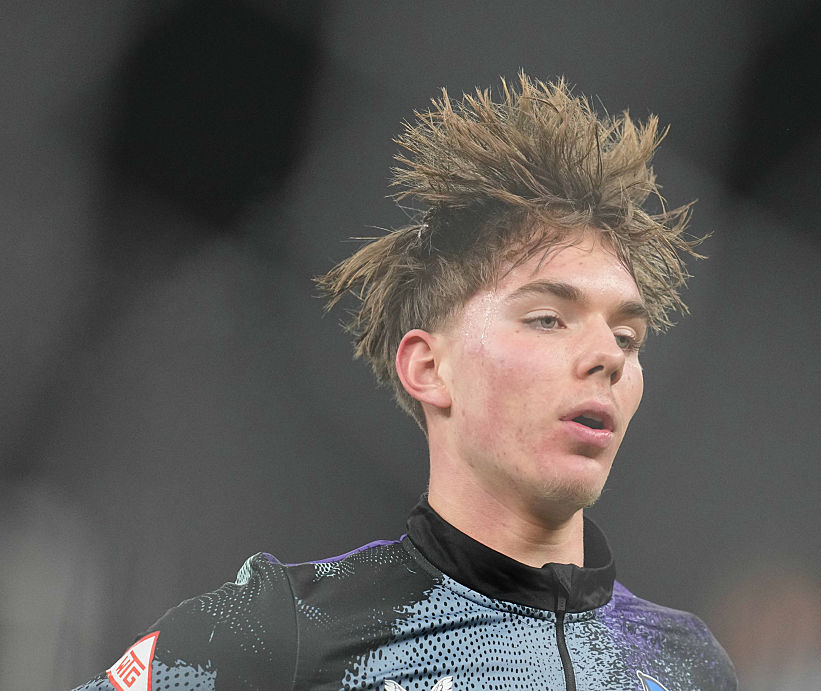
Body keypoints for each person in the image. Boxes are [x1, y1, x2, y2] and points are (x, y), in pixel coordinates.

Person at [73, 74, 736, 691]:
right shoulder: (286, 630)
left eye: (628, 337)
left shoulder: (683, 661)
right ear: (428, 367)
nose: (608, 356)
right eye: (548, 318)